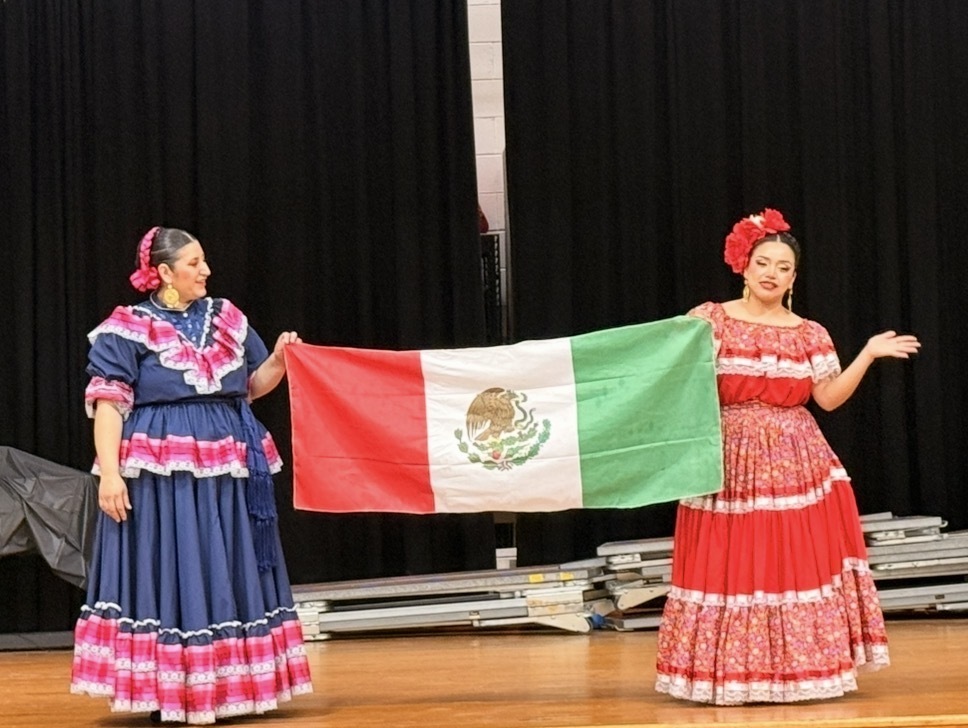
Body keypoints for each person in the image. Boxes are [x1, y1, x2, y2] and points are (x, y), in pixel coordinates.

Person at [654, 209, 920, 705]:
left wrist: (866, 353)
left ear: (794, 277)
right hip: (727, 458)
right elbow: (661, 367)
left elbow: (828, 398)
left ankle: (797, 669)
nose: (771, 272)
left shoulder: (809, 333)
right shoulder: (709, 319)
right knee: (731, 561)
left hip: (796, 461)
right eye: (763, 262)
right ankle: (731, 672)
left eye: (783, 266)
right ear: (744, 265)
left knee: (787, 562)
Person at [70, 227, 313, 724]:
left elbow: (248, 386)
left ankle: (229, 686)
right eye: (194, 262)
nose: (205, 270)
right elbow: (109, 406)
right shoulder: (128, 328)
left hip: (227, 459)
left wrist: (280, 361)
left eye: (204, 261)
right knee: (173, 567)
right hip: (163, 469)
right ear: (163, 273)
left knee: (224, 565)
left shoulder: (226, 317)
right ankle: (172, 688)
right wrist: (111, 475)